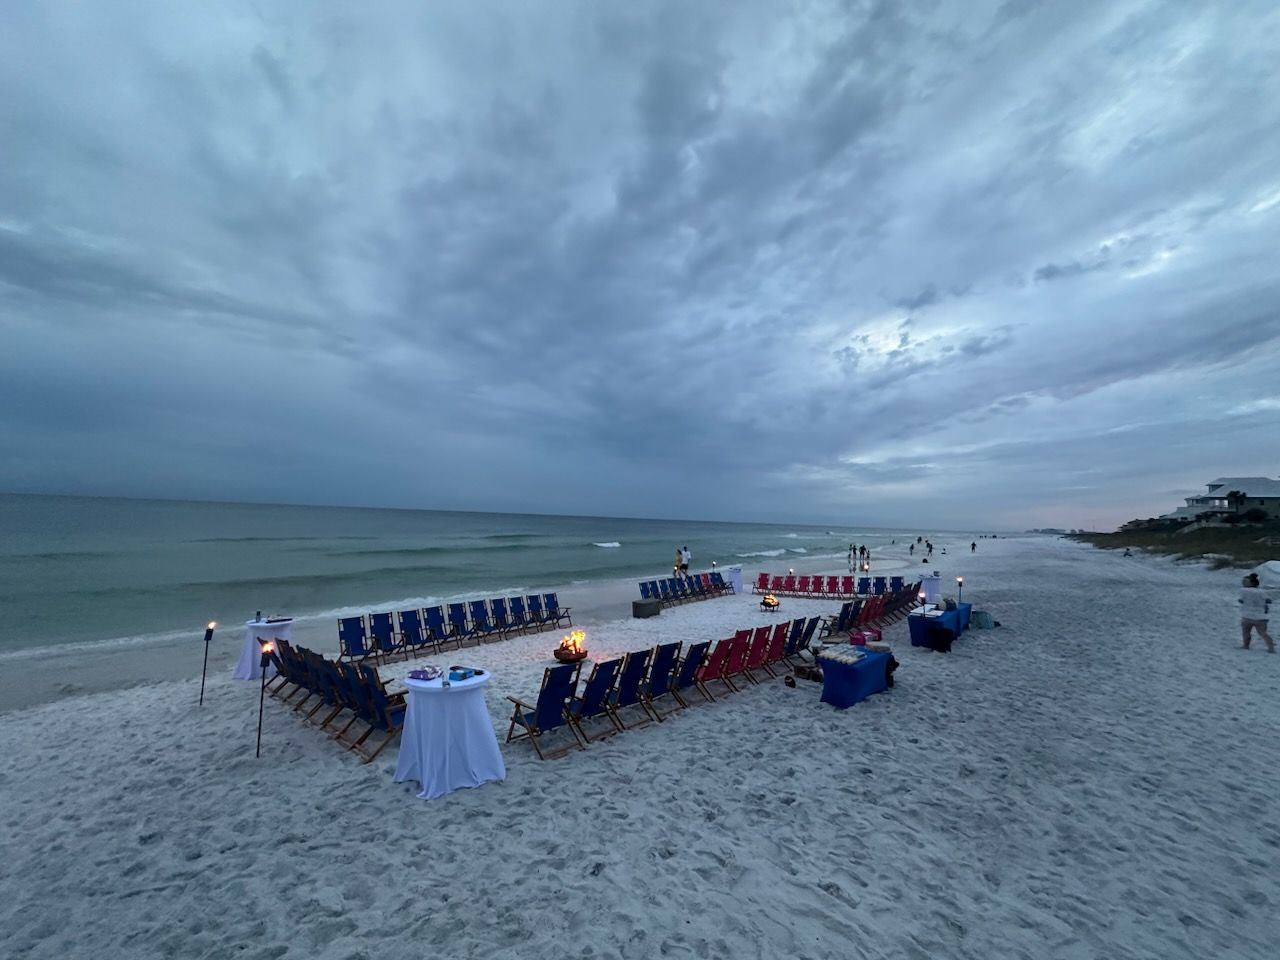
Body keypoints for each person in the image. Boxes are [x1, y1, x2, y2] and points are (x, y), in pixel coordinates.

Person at [1239, 573, 1275, 652]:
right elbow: (1269, 600)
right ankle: (1271, 647)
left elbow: (1241, 600)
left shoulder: (1243, 590)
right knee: (1263, 633)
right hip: (1261, 616)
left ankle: (1246, 645)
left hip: (1247, 615)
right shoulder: (1262, 591)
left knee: (1246, 632)